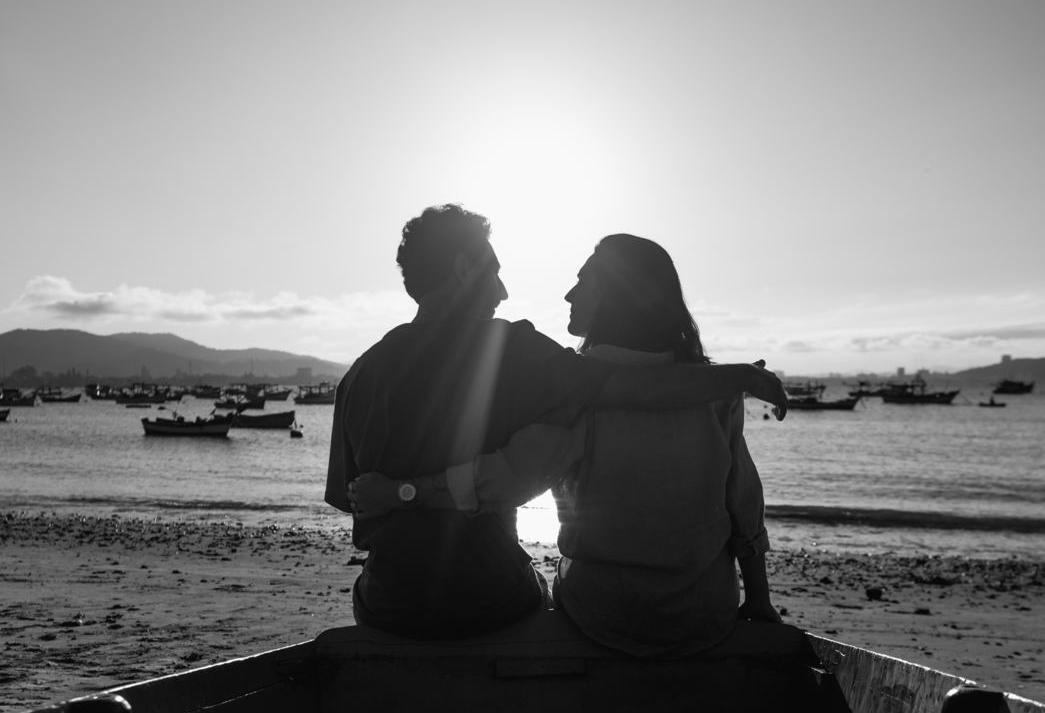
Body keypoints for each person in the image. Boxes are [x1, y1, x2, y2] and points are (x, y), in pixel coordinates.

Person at [329, 207, 787, 639]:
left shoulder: (358, 375)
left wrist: (401, 493)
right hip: (492, 600)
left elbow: (354, 501)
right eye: (494, 272)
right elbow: (639, 387)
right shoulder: (512, 348)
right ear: (464, 269)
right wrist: (739, 378)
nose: (503, 292)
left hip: (388, 603)